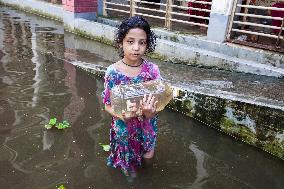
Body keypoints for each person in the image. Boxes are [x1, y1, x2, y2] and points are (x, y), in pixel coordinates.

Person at [101, 16, 161, 177]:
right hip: (124, 128)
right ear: (121, 42)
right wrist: (122, 116)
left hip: (147, 125)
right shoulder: (113, 73)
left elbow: (158, 103)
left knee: (148, 158)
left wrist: (150, 113)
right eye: (130, 41)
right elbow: (107, 105)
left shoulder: (152, 71)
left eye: (142, 42)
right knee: (127, 165)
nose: (136, 48)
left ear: (147, 44)